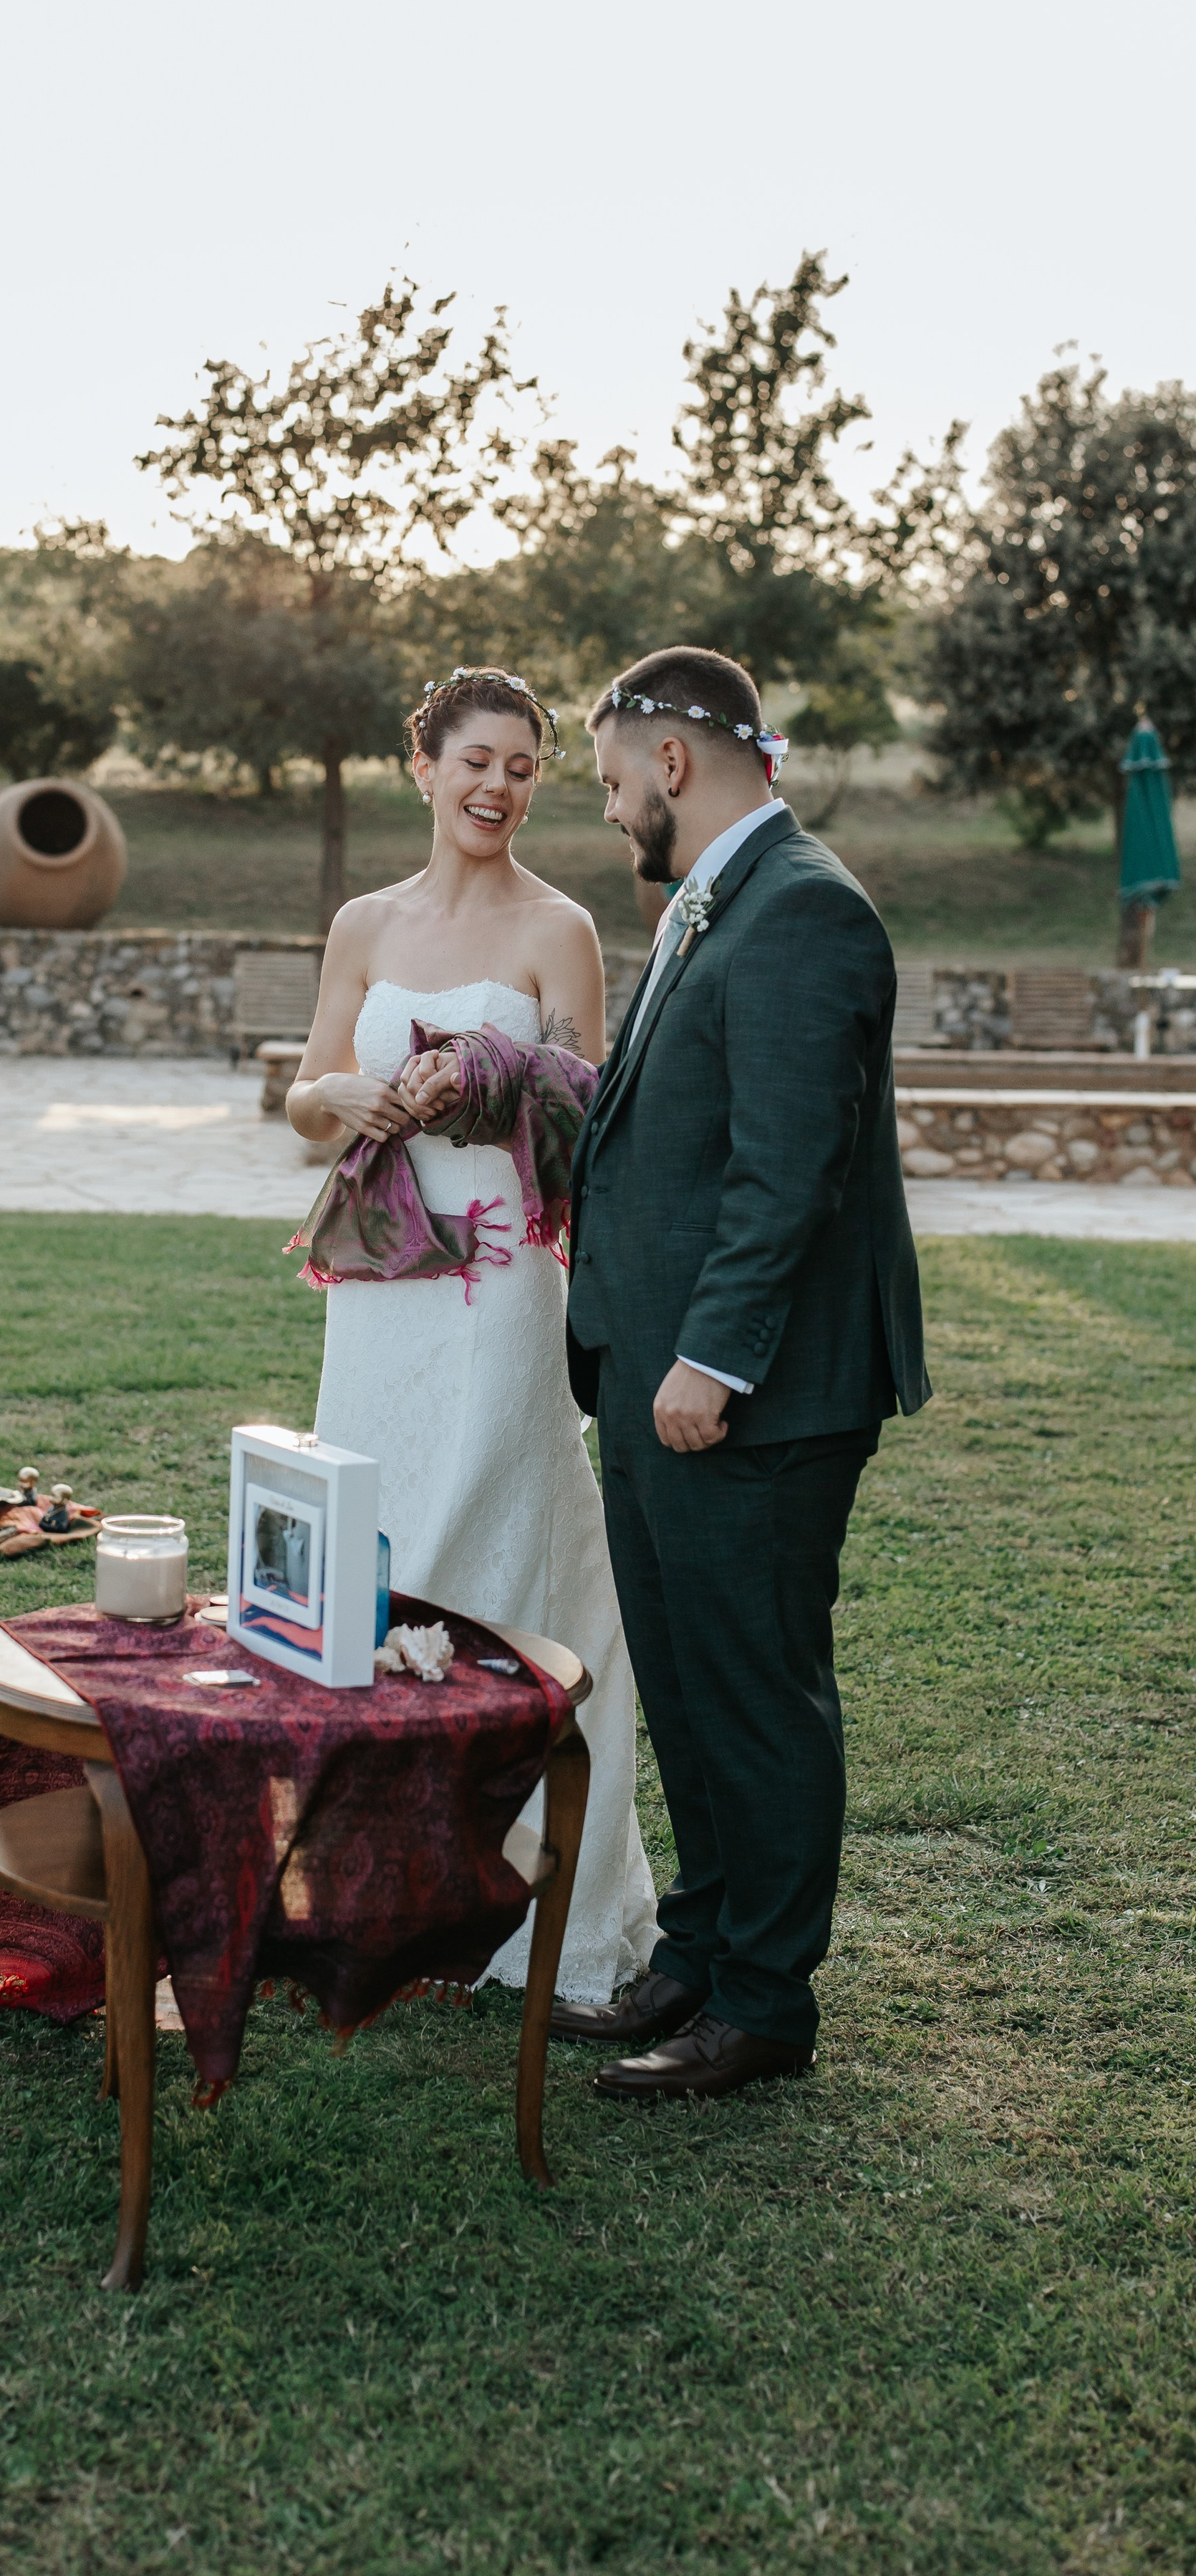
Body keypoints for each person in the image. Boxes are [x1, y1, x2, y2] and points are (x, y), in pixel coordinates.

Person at [564, 648, 928, 2099]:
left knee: (754, 1691)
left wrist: (710, 1359)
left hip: (745, 1394)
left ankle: (764, 2004)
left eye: (604, 782)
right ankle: (698, 1955)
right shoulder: (709, 905)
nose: (604, 813)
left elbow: (788, 1174)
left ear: (669, 763)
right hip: (647, 1373)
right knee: (684, 1680)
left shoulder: (799, 913)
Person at [287, 668, 657, 2009]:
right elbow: (302, 1097)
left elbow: (590, 1112)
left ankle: (519, 1895)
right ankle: (387, 1888)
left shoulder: (561, 929)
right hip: (383, 1283)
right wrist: (356, 1088)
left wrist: (488, 1077)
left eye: (523, 768)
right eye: (477, 762)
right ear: (426, 769)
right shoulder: (365, 922)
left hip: (501, 1283)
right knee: (377, 1545)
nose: (497, 787)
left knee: (496, 1546)